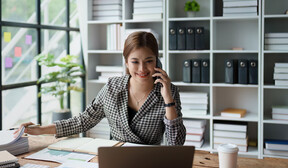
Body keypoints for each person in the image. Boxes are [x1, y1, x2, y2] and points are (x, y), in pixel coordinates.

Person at [16, 31, 186, 145]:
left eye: (149, 61)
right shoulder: (113, 88)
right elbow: (83, 121)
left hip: (152, 163)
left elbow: (175, 145)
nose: (142, 69)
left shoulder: (168, 92)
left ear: (156, 61)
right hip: (116, 160)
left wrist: (168, 101)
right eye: (135, 62)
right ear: (126, 62)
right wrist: (39, 130)